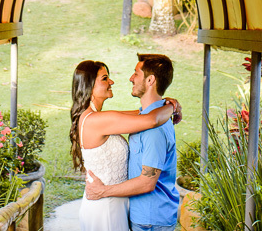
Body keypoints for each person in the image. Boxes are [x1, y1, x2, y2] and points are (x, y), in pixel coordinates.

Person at [70, 60, 180, 231]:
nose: (111, 82)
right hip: (105, 207)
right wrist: (172, 108)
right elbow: (151, 119)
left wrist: (164, 103)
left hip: (116, 204)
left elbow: (143, 113)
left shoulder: (98, 117)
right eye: (105, 78)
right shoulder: (96, 121)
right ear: (89, 85)